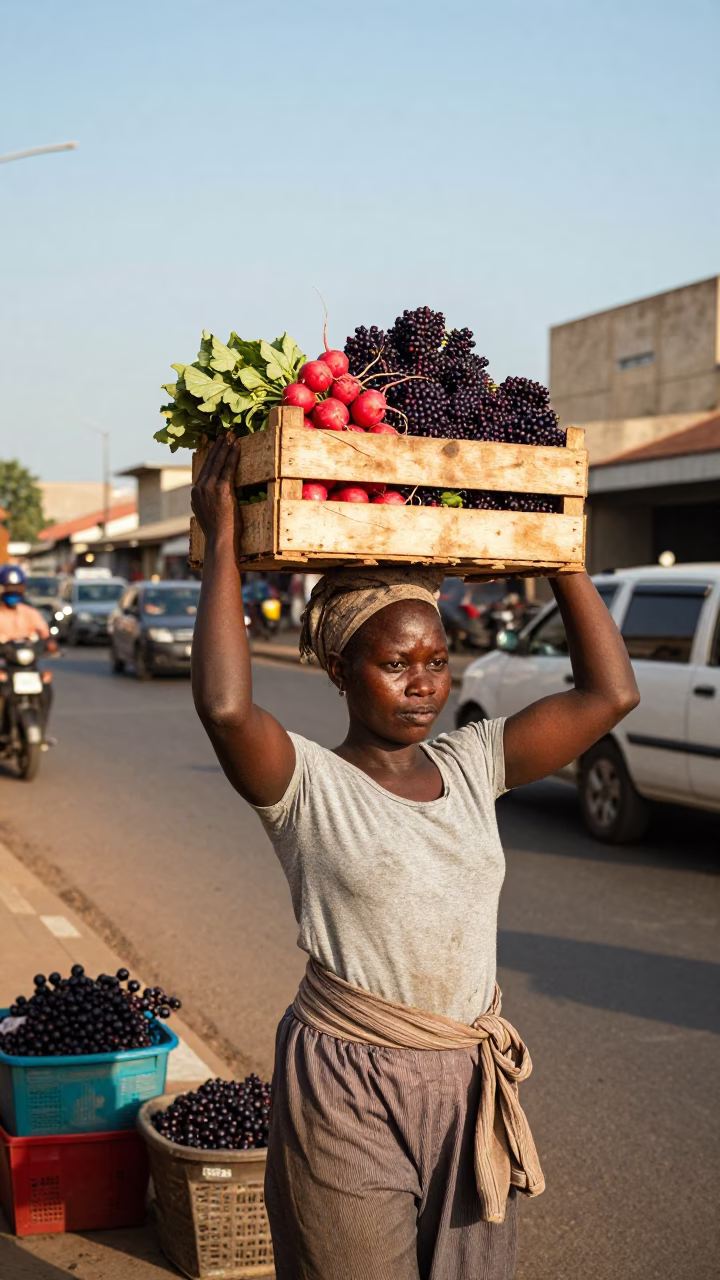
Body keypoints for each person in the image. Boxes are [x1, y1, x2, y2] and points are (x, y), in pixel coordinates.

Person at [190, 434, 640, 1280]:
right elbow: (223, 707)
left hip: (467, 1078)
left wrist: (555, 549)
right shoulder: (305, 783)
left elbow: (610, 694)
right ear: (340, 670)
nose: (425, 682)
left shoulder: (472, 763)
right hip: (347, 1080)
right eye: (397, 664)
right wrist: (223, 543)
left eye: (437, 661)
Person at [0, 565, 56, 735]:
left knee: (46, 689)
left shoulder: (29, 611)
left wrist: (50, 642)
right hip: (4, 664)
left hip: (27, 664)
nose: (13, 591)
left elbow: (44, 632)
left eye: (16, 588)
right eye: (9, 588)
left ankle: (41, 730)